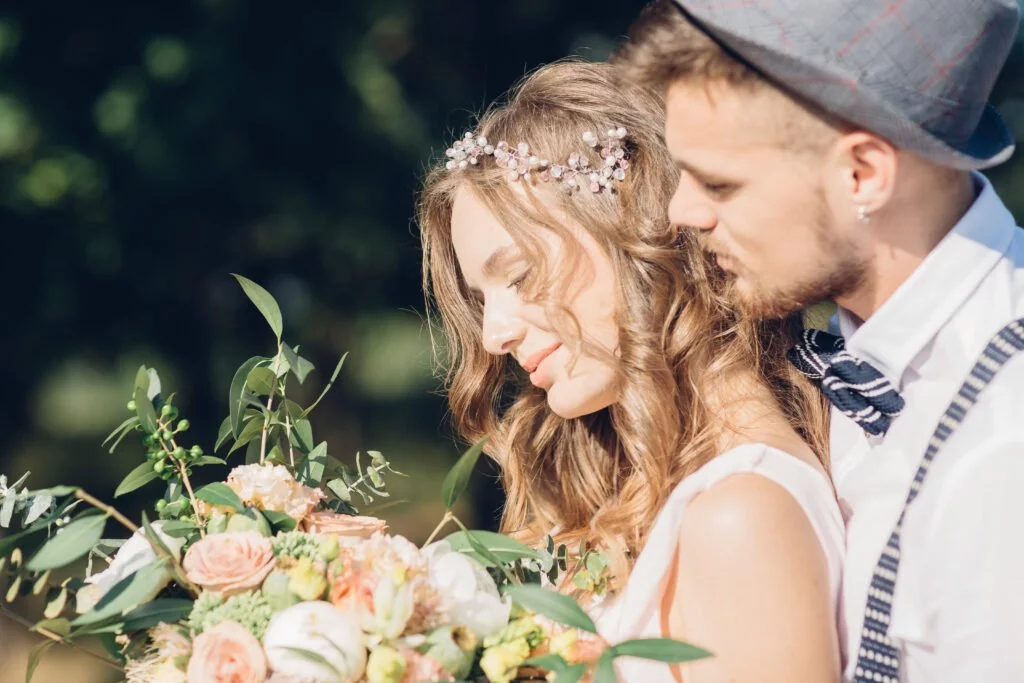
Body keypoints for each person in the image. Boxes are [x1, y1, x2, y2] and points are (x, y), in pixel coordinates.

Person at [616, 1, 1024, 681]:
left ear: (863, 173)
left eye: (719, 182)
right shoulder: (846, 359)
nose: (679, 211)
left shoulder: (1006, 439)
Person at [418, 60, 843, 683]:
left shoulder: (743, 517)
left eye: (518, 276)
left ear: (630, 233)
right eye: (483, 302)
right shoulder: (645, 495)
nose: (494, 333)